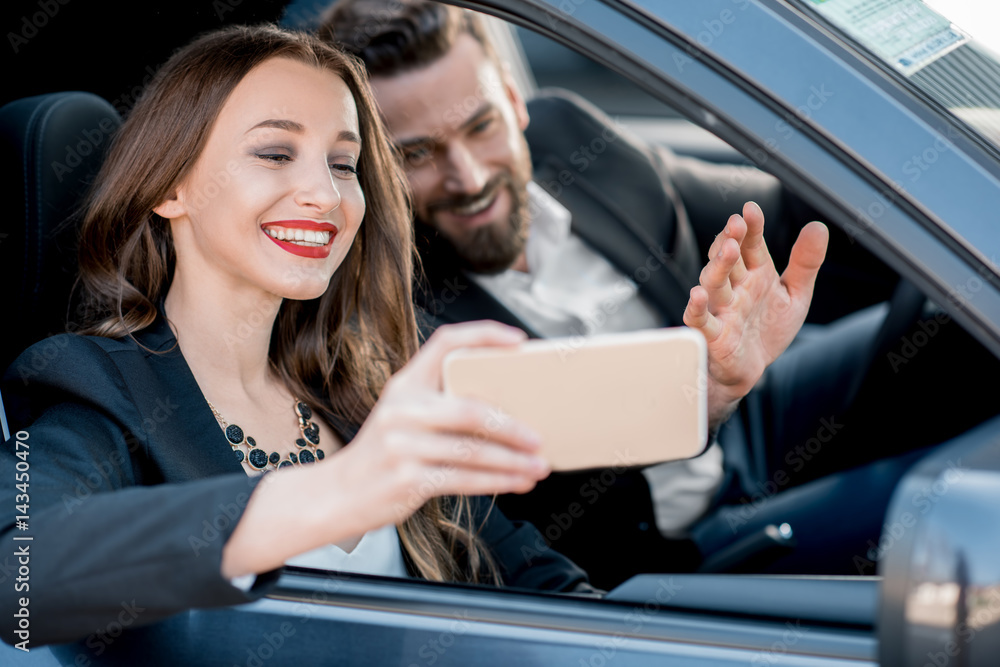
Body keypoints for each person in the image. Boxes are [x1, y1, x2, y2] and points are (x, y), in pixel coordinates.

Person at [0, 24, 625, 648]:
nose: (326, 196)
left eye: (343, 164)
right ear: (171, 185)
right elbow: (18, 577)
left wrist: (704, 387)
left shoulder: (362, 379)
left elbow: (538, 585)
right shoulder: (92, 384)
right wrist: (343, 488)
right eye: (275, 154)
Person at [318, 0, 937, 588]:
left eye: (481, 127)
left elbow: (769, 210)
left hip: (751, 421)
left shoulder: (568, 136)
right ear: (373, 166)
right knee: (948, 507)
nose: (470, 177)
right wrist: (706, 394)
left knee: (949, 316)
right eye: (417, 154)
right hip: (673, 551)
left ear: (513, 100)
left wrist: (899, 176)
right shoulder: (389, 314)